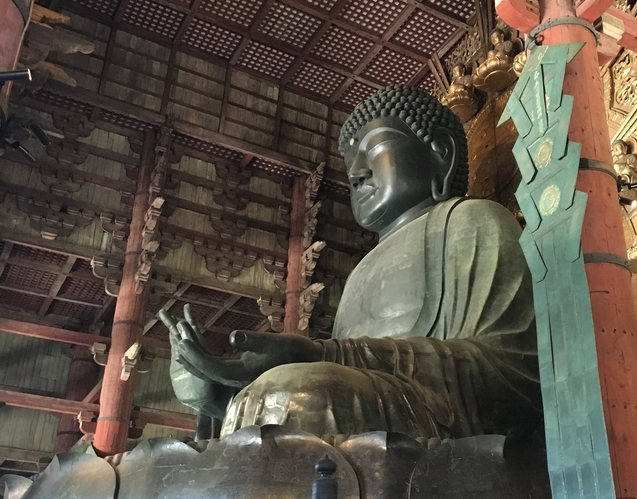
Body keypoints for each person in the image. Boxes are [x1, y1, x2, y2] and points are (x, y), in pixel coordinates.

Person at [161, 84, 542, 446]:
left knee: (296, 394)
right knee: (281, 395)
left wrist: (324, 354)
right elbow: (339, 377)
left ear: (440, 153)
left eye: (375, 148)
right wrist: (216, 392)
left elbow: (514, 373)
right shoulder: (360, 273)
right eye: (349, 164)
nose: (356, 172)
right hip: (368, 420)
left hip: (442, 431)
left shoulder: (474, 221)